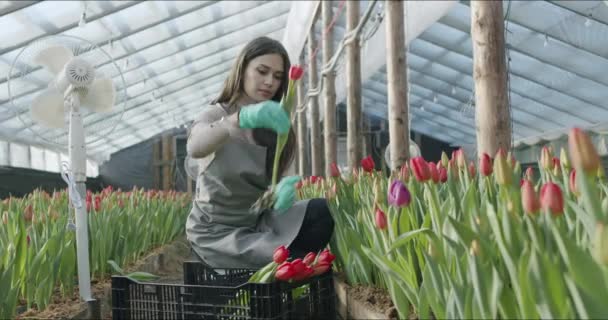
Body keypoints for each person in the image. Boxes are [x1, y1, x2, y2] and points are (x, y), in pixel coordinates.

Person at [186, 36, 334, 269]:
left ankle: (291, 268)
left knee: (322, 212)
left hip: (259, 223)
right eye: (262, 71)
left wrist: (280, 193)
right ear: (243, 69)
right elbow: (195, 147)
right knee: (293, 259)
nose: (269, 82)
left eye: (277, 77)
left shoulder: (275, 125)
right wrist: (240, 119)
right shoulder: (216, 114)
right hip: (216, 232)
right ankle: (291, 269)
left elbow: (277, 184)